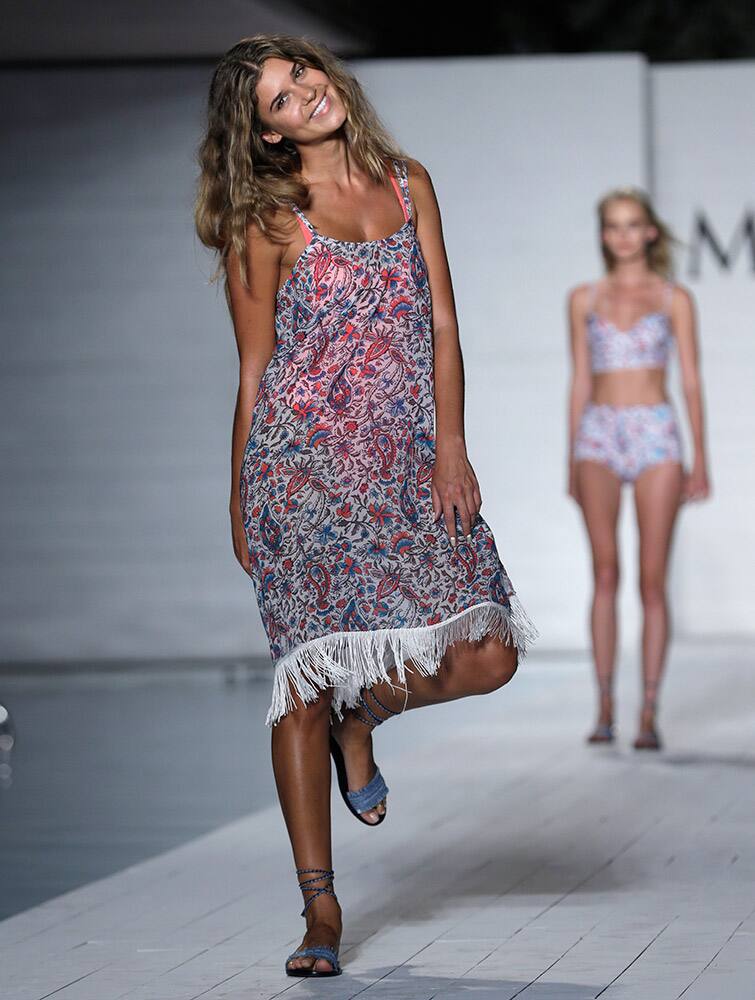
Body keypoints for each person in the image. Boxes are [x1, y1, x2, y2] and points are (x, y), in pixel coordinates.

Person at [195, 34, 536, 978]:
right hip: (299, 477)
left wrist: (454, 447)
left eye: (299, 72)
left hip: (407, 468)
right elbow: (256, 367)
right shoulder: (267, 221)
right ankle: (320, 908)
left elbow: (442, 322)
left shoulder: (408, 180)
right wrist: (240, 496)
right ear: (264, 136)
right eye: (277, 99)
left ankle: (366, 719)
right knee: (302, 682)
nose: (301, 94)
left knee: (488, 653)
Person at [567, 186, 710, 752]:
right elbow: (579, 380)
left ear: (650, 231)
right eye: (613, 225)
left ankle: (648, 711)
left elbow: (692, 381)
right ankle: (604, 707)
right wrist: (570, 460)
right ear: (603, 234)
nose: (623, 234)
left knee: (652, 580)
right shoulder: (584, 298)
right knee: (605, 573)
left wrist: (700, 460)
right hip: (599, 432)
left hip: (656, 433)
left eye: (633, 224)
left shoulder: (675, 298)